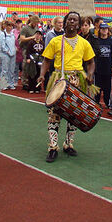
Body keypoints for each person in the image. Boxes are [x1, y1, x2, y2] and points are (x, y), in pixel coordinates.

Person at [37, 11, 96, 163]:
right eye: (69, 19)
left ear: (78, 25)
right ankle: (53, 146)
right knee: (54, 114)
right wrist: (42, 75)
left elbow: (90, 62)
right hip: (58, 79)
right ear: (64, 23)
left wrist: (90, 75)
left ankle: (68, 144)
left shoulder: (84, 43)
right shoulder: (56, 41)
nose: (72, 22)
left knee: (74, 114)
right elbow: (46, 60)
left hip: (77, 80)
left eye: (75, 20)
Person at [94, 22, 112, 109]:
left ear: (108, 30)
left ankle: (107, 103)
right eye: (102, 29)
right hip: (98, 67)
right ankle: (96, 102)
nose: (104, 30)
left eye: (106, 29)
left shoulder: (111, 41)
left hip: (107, 67)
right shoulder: (97, 41)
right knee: (97, 87)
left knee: (107, 87)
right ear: (100, 30)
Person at [19, 15, 40, 90]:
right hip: (26, 49)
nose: (36, 25)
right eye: (35, 23)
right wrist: (32, 37)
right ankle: (24, 81)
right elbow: (22, 39)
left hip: (34, 49)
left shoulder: (36, 28)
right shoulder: (25, 28)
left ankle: (31, 82)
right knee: (26, 65)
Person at [0, 20, 17, 90]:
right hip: (5, 54)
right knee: (5, 69)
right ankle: (3, 84)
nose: (10, 27)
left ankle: (10, 83)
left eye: (11, 26)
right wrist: (8, 51)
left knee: (11, 69)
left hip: (13, 54)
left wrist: (14, 50)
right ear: (5, 26)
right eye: (8, 26)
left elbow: (13, 43)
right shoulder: (3, 34)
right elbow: (2, 45)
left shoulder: (12, 34)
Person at [26, 29, 45, 93]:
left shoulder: (42, 43)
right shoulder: (31, 42)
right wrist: (28, 58)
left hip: (39, 60)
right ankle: (31, 87)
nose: (38, 36)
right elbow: (28, 51)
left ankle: (37, 88)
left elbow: (44, 51)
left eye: (39, 34)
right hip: (32, 59)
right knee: (32, 73)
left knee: (38, 73)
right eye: (36, 34)